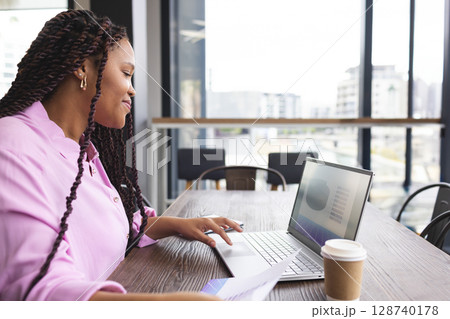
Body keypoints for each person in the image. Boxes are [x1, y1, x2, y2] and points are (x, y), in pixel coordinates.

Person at [0, 9, 242, 301]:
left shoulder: (83, 149)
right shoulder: (12, 147)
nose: (133, 89)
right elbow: (38, 292)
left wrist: (175, 224)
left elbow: (113, 226)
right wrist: (171, 305)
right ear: (81, 67)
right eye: (126, 73)